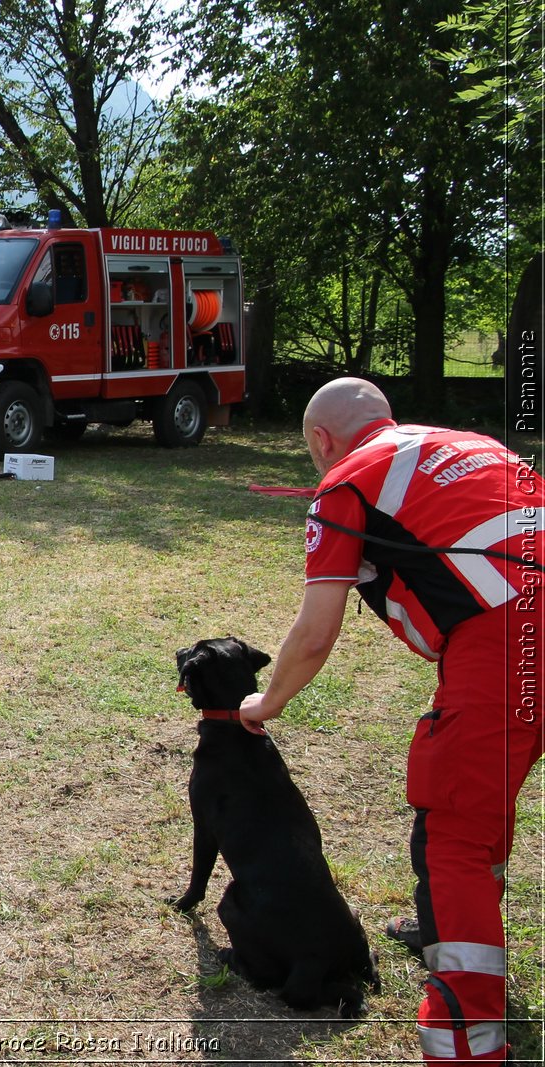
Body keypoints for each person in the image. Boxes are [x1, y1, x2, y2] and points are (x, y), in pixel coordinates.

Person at [241, 377, 543, 1063]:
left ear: (321, 439)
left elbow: (316, 632)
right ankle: (449, 920)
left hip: (503, 642)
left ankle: (466, 1045)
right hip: (517, 629)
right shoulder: (473, 445)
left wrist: (268, 701)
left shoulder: (346, 479)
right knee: (483, 802)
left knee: (456, 826)